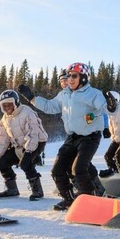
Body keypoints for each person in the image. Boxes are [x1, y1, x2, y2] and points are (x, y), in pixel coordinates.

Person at [17, 62, 107, 211]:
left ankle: (89, 201)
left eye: (73, 76)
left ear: (83, 78)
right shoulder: (64, 94)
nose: (69, 79)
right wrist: (32, 98)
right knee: (57, 170)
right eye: (68, 76)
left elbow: (104, 108)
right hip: (72, 137)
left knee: (78, 169)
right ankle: (69, 199)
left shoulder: (94, 94)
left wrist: (109, 107)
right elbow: (49, 107)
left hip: (90, 137)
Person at [0, 90, 46, 201]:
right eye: (4, 105)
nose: (7, 107)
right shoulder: (5, 119)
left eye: (10, 104)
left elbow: (33, 133)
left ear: (16, 102)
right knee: (3, 163)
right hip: (19, 144)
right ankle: (12, 189)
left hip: (37, 141)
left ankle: (37, 191)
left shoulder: (27, 112)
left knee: (26, 163)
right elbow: (3, 139)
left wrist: (28, 152)